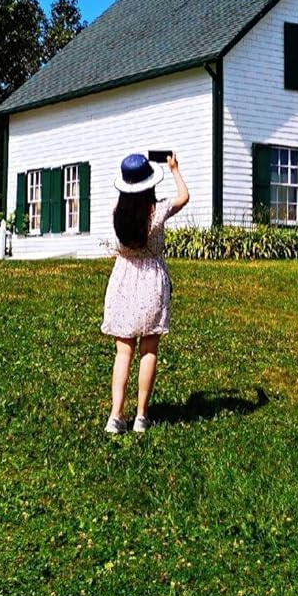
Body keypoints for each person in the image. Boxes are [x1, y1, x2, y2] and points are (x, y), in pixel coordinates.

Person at [101, 151, 188, 434]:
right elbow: (183, 197)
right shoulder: (158, 212)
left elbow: (126, 197)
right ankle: (141, 415)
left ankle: (116, 415)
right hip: (151, 281)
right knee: (148, 349)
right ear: (150, 184)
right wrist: (173, 168)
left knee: (123, 352)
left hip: (124, 280)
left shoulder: (118, 214)